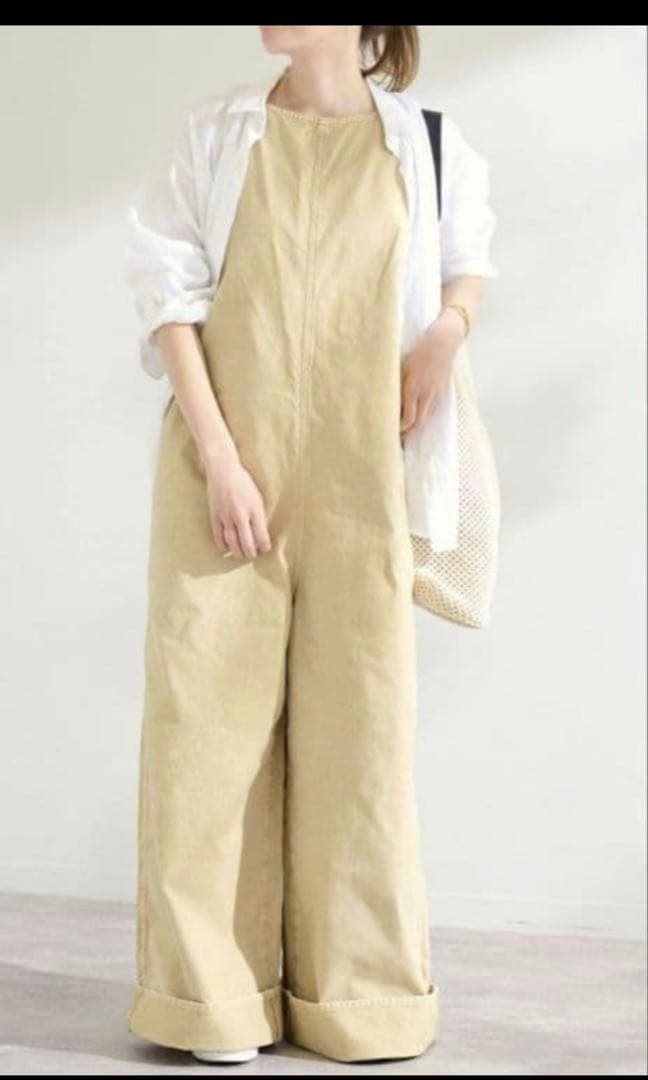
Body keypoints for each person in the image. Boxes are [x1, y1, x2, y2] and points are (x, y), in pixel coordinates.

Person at [123, 25, 498, 1067]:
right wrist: (220, 459)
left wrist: (444, 335)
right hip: (223, 473)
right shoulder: (217, 134)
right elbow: (169, 302)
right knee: (202, 740)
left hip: (365, 479)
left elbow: (467, 267)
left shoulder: (429, 143)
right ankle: (210, 1002)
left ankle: (363, 1003)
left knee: (360, 745)